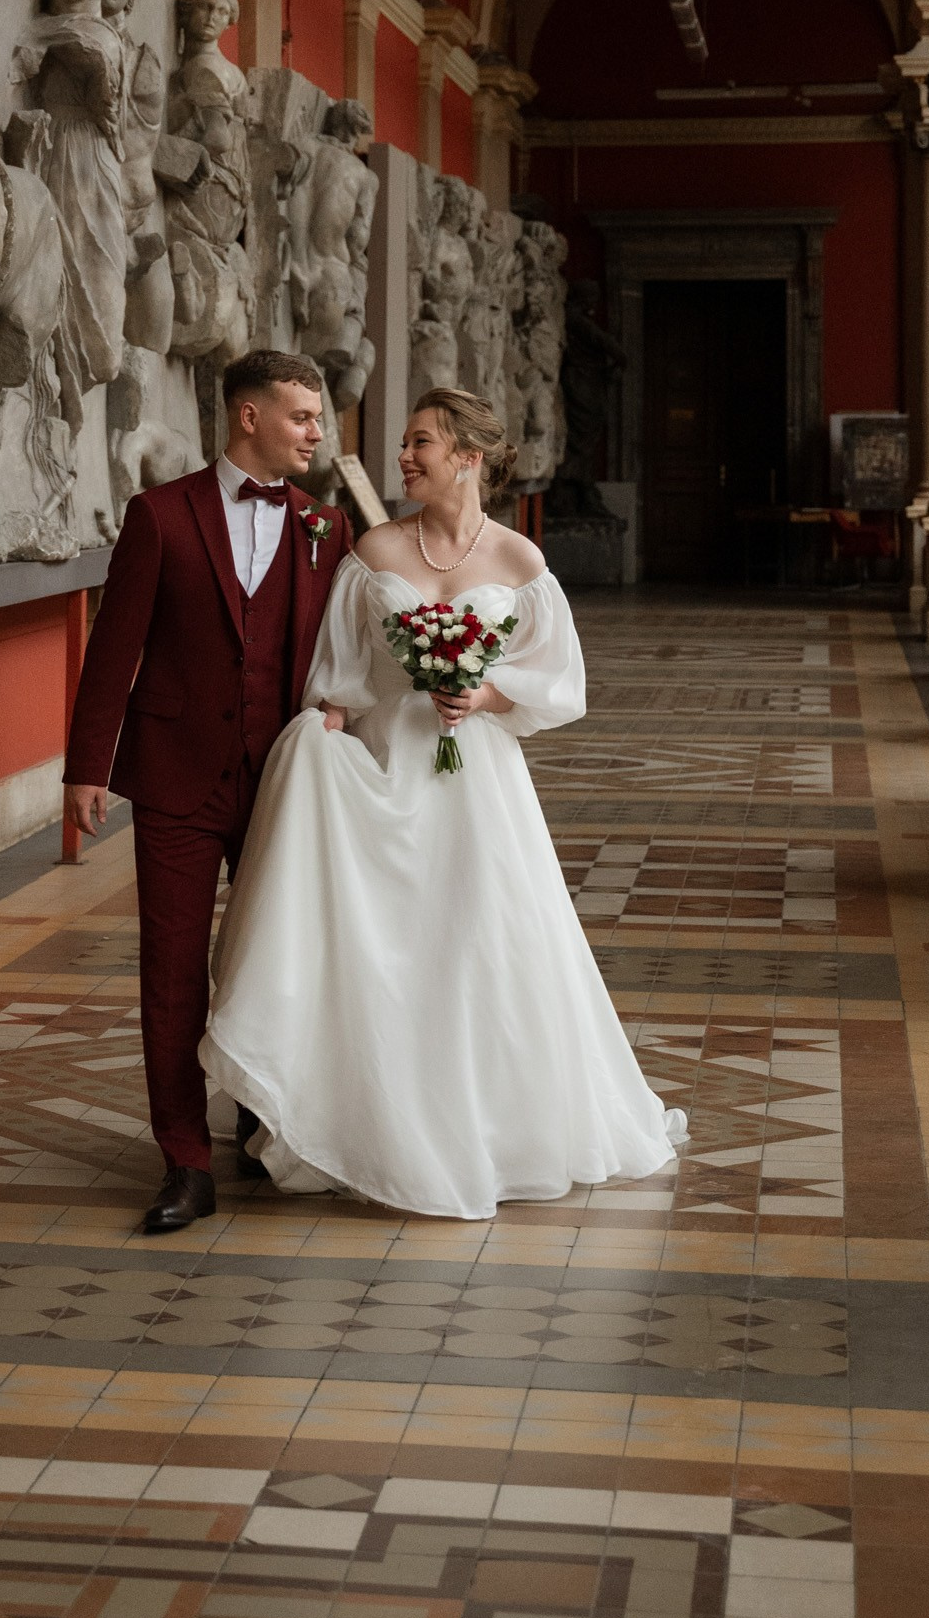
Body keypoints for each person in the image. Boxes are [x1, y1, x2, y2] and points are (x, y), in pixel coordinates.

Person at [201, 385, 685, 1220]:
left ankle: (490, 1127)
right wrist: (329, 720)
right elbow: (342, 671)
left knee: (478, 947)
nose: (404, 457)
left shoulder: (520, 562)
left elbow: (561, 682)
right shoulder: (375, 549)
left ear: (468, 456)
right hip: (387, 772)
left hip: (477, 787)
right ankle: (372, 1120)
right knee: (391, 950)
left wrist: (485, 695)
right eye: (404, 444)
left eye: (421, 442)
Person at [64, 349, 352, 1232]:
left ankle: (266, 1125)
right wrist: (86, 767)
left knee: (279, 960)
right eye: (302, 415)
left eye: (318, 416)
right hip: (177, 778)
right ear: (248, 416)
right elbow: (115, 647)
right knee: (174, 969)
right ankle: (185, 1160)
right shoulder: (160, 515)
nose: (317, 431)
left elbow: (341, 659)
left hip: (287, 784)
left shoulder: (326, 529)